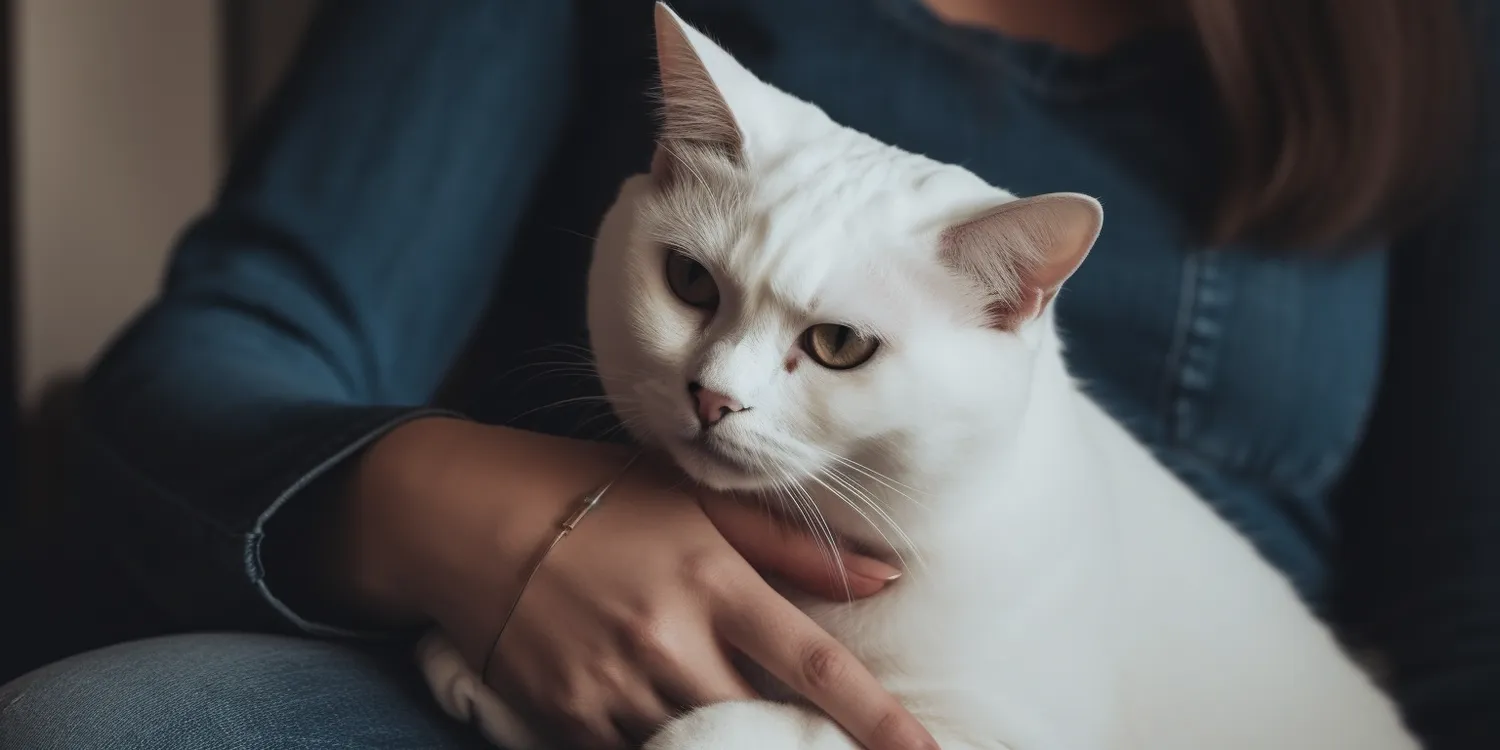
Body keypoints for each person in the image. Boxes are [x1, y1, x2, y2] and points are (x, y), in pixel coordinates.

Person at [1, 0, 1495, 748]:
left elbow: (1470, 609)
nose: (723, 381)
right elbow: (217, 346)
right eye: (697, 290)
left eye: (832, 341)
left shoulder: (1419, 37)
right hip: (560, 612)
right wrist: (480, 517)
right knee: (119, 723)